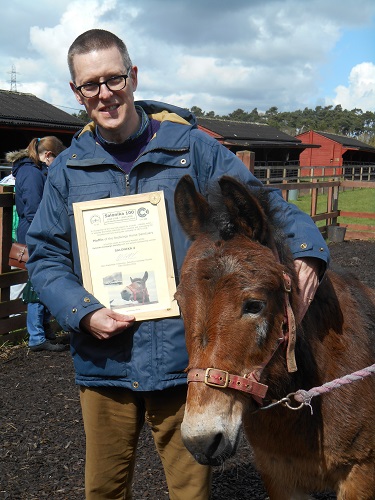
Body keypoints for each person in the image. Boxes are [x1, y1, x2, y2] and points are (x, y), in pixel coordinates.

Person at [26, 29, 330, 499]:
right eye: (91, 84)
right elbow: (45, 254)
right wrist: (81, 311)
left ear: (134, 77)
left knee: (190, 493)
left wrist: (308, 249)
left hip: (183, 361)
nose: (105, 93)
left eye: (114, 78)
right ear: (76, 91)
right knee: (102, 489)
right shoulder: (68, 170)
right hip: (104, 362)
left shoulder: (192, 149)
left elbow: (265, 202)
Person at [6, 136, 67, 352]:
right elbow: (33, 210)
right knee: (37, 285)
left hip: (35, 231)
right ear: (48, 155)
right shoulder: (31, 173)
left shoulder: (31, 170)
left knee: (42, 281)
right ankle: (37, 336)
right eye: (55, 160)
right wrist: (44, 234)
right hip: (36, 234)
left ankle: (43, 331)